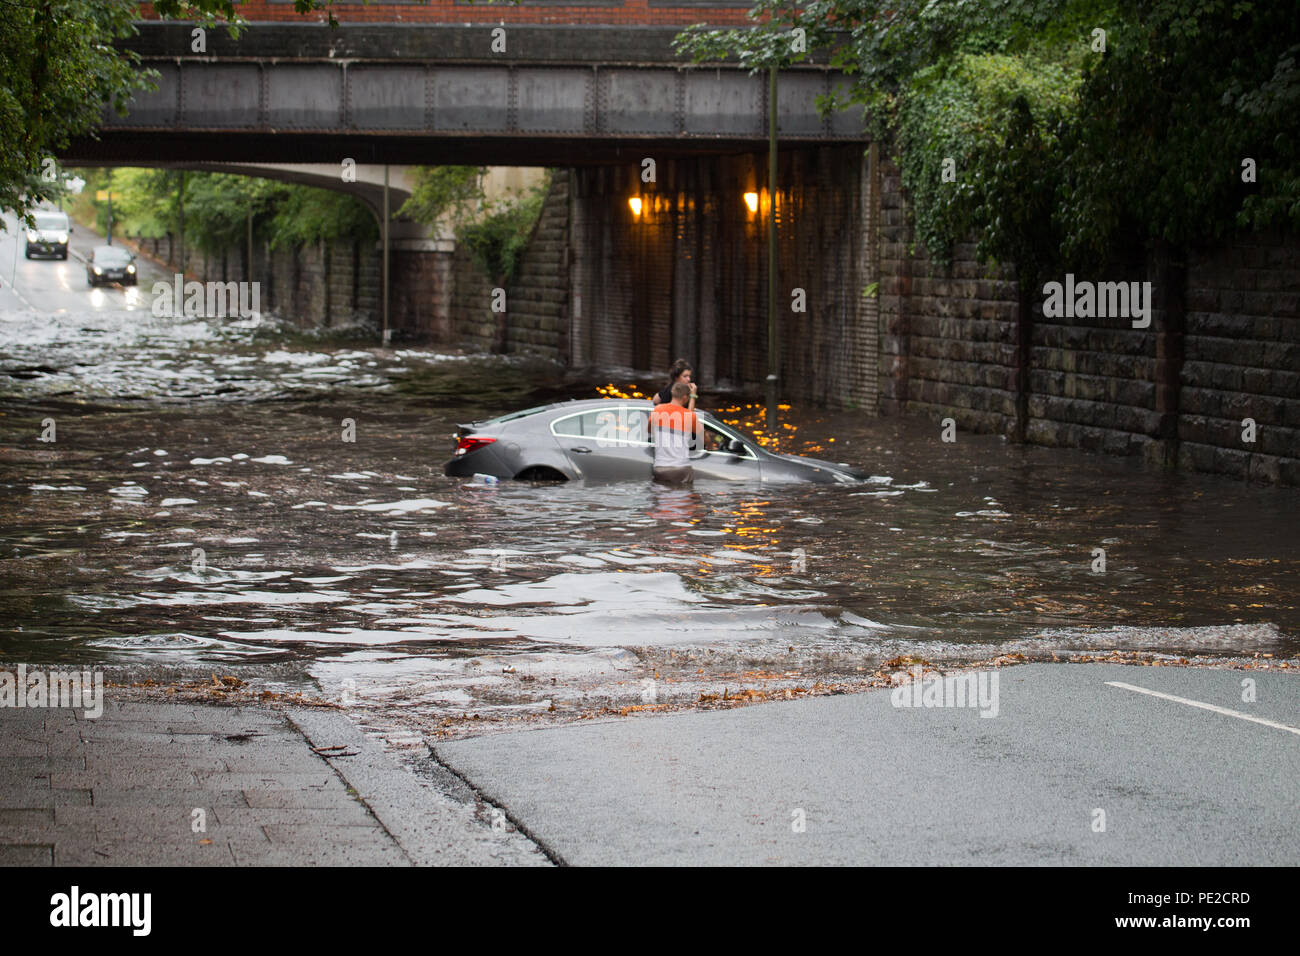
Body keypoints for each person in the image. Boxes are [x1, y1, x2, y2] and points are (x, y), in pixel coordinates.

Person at [650, 382, 698, 485]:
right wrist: (693, 396)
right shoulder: (688, 416)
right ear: (685, 398)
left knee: (662, 498)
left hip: (660, 468)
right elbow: (704, 438)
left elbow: (650, 430)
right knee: (682, 499)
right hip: (680, 469)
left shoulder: (657, 410)